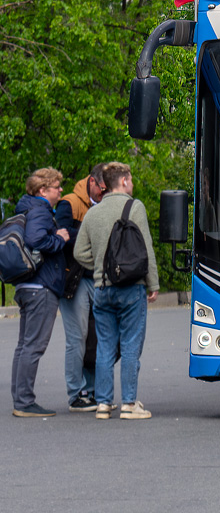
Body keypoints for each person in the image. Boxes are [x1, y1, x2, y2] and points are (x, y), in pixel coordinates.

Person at [74, 162, 158, 420]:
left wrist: (101, 267)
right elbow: (146, 249)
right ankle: (129, 404)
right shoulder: (135, 207)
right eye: (130, 179)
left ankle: (103, 403)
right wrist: (152, 284)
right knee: (131, 345)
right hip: (131, 287)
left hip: (102, 289)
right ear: (123, 181)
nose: (132, 184)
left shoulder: (93, 213)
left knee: (105, 347)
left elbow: (79, 253)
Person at [10, 167, 70, 417]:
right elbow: (37, 241)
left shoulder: (25, 208)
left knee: (24, 346)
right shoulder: (41, 211)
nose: (60, 190)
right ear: (43, 190)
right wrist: (60, 239)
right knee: (33, 346)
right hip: (41, 287)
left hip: (25, 284)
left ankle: (20, 397)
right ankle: (24, 402)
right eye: (57, 187)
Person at [55, 163, 106, 411]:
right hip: (74, 280)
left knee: (95, 338)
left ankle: (94, 392)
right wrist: (90, 237)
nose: (103, 193)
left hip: (97, 279)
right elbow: (62, 237)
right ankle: (75, 394)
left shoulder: (106, 202)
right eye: (101, 189)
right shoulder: (69, 203)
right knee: (77, 338)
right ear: (92, 182)